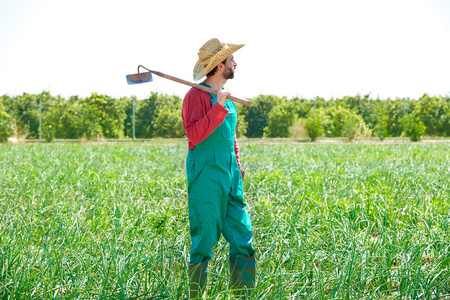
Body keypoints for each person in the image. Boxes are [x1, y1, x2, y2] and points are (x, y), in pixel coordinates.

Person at [182, 38, 256, 298]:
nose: (235, 62)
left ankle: (243, 295)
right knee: (204, 239)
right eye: (230, 60)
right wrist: (217, 107)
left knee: (243, 235)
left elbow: (231, 137)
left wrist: (237, 165)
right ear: (218, 67)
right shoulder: (196, 95)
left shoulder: (229, 99)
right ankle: (196, 295)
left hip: (230, 172)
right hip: (206, 171)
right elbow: (194, 136)